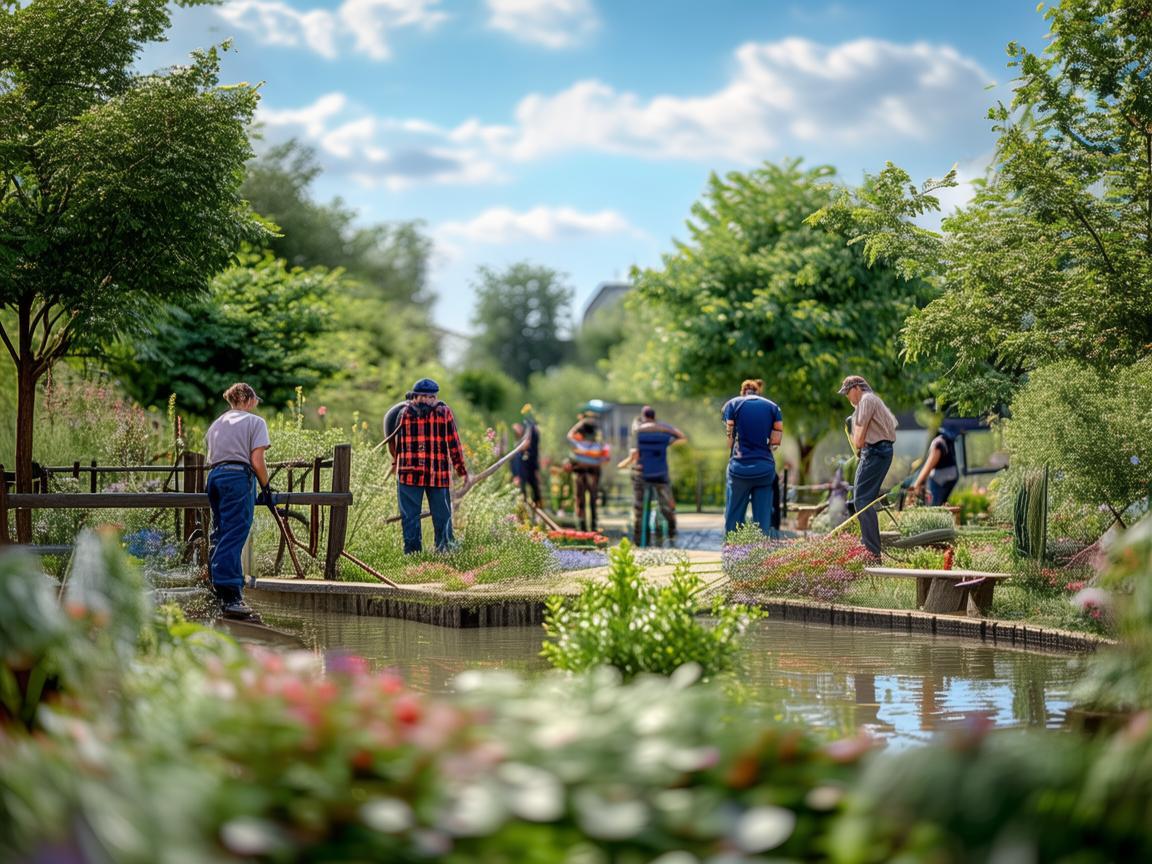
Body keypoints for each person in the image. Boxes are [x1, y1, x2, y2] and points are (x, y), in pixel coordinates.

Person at [205, 382, 271, 619]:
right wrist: (267, 487)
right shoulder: (255, 422)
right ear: (249, 399)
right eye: (255, 401)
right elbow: (257, 461)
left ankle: (215, 586)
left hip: (214, 477)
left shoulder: (216, 424)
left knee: (220, 531)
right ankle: (230, 595)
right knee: (235, 532)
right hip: (236, 477)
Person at [393, 378, 469, 554]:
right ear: (415, 397)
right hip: (409, 474)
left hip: (437, 473)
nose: (428, 400)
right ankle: (413, 554)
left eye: (431, 397)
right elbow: (394, 441)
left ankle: (445, 550)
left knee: (442, 514)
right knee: (410, 517)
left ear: (436, 397)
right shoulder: (404, 413)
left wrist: (461, 469)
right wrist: (394, 462)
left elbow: (453, 442)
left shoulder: (443, 413)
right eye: (424, 396)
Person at [840, 374, 898, 559]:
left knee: (862, 501)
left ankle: (872, 553)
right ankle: (868, 546)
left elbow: (858, 439)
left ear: (857, 388)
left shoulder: (866, 400)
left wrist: (857, 442)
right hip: (880, 451)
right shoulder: (874, 400)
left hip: (874, 452)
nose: (848, 397)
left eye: (848, 392)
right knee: (861, 499)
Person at [721, 379, 783, 536]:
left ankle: (733, 553)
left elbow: (729, 442)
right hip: (764, 469)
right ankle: (760, 555)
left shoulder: (733, 404)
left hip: (739, 469)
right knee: (762, 519)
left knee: (733, 515)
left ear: (743, 392)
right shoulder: (773, 407)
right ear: (758, 391)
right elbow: (775, 442)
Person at [617, 406, 686, 545]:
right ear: (654, 417)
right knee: (666, 506)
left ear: (643, 417)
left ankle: (640, 542)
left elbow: (634, 453)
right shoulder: (662, 432)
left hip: (641, 474)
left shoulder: (637, 431)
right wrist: (666, 427)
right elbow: (682, 438)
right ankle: (672, 535)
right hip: (661, 474)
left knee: (639, 509)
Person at [566, 415, 611, 532]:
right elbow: (606, 458)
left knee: (580, 500)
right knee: (593, 500)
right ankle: (594, 526)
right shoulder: (598, 446)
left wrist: (580, 422)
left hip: (579, 473)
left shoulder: (577, 444)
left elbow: (569, 435)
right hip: (593, 473)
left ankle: (581, 528)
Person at [911, 426, 960, 506]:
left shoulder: (938, 442)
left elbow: (930, 463)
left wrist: (917, 483)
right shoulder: (948, 439)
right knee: (943, 507)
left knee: (933, 507)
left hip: (940, 479)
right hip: (952, 476)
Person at [513, 410, 544, 506]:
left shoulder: (532, 431)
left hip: (530, 461)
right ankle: (526, 504)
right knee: (525, 485)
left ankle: (534, 503)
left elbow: (527, 445)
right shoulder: (531, 431)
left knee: (532, 484)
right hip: (527, 461)